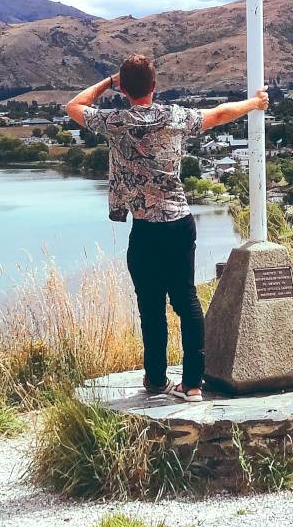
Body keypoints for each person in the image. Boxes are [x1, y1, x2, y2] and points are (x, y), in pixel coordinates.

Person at [66, 54, 269, 401]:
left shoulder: (116, 121)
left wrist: (107, 83)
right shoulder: (174, 117)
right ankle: (192, 384)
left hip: (145, 229)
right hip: (180, 223)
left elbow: (75, 106)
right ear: (155, 87)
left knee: (150, 306)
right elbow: (220, 114)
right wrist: (255, 102)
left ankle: (157, 379)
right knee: (187, 301)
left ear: (124, 89)